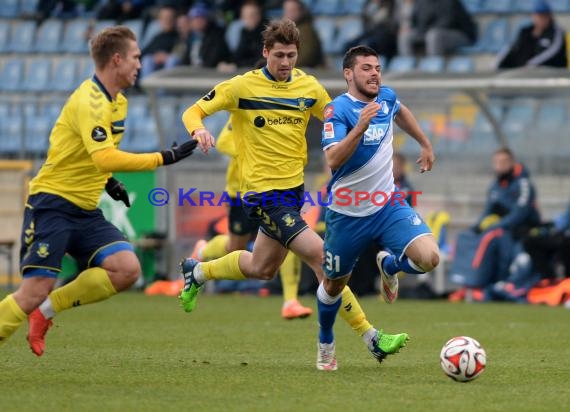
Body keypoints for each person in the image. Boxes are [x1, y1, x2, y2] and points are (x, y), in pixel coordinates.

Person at [179, 18, 398, 367]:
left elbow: (334, 117)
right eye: (279, 55)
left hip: (294, 191)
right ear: (265, 52)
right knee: (324, 260)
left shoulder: (308, 88)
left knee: (262, 267)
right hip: (262, 196)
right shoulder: (242, 87)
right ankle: (371, 336)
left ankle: (199, 271)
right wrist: (199, 130)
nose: (285, 63)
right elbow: (193, 110)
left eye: (291, 55)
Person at [0, 26, 197, 355]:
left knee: (126, 269)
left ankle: (45, 311)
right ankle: (37, 304)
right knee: (34, 289)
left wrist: (108, 181)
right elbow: (103, 154)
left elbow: (81, 151)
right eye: (135, 57)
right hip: (53, 204)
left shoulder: (118, 101)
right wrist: (165, 157)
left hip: (84, 209)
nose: (140, 63)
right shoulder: (90, 101)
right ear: (116, 59)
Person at [315, 45, 439, 370]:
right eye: (367, 68)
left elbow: (401, 110)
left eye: (378, 68)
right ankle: (325, 341)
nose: (374, 74)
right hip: (347, 213)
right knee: (332, 286)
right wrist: (359, 127)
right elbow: (332, 159)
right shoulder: (336, 110)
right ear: (348, 74)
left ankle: (392, 266)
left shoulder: (386, 97)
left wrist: (424, 143)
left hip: (387, 204)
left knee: (430, 258)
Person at [191, 115, 313, 319]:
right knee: (235, 248)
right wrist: (259, 151)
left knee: (290, 236)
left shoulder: (284, 111)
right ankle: (203, 250)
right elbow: (223, 142)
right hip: (241, 191)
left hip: (276, 190)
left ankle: (291, 301)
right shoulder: (246, 107)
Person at [449, 147, 541, 302]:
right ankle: (469, 281)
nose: (500, 165)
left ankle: (503, 285)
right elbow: (488, 211)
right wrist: (476, 228)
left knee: (496, 239)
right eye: (497, 162)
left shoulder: (523, 184)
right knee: (467, 236)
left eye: (504, 162)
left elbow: (520, 213)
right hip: (504, 231)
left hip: (523, 232)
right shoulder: (495, 186)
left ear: (512, 162)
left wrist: (496, 226)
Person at [495, 0, 567, 69]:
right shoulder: (525, 32)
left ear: (549, 17)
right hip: (521, 72)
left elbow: (552, 52)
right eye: (538, 15)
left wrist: (531, 65)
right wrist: (500, 64)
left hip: (547, 73)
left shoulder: (556, 33)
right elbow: (512, 48)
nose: (541, 19)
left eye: (544, 16)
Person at [398, 0, 477, 56]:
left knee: (433, 35)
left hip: (461, 33)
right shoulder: (421, 2)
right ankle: (408, 67)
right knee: (405, 36)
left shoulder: (449, 1)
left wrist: (425, 31)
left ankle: (433, 68)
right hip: (430, 32)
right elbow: (416, 21)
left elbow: (447, 22)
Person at [139, 5, 179, 79]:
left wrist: (166, 57)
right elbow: (144, 52)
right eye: (164, 18)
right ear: (160, 20)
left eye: (170, 18)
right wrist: (156, 56)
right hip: (156, 66)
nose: (167, 20)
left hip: (174, 66)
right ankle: (148, 89)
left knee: (172, 60)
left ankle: (167, 89)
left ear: (175, 20)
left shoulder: (180, 36)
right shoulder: (157, 37)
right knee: (147, 60)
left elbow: (182, 53)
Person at [282, 0, 324, 68]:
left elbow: (306, 58)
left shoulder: (306, 31)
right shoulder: (284, 30)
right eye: (286, 10)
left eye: (292, 10)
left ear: (301, 11)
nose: (288, 14)